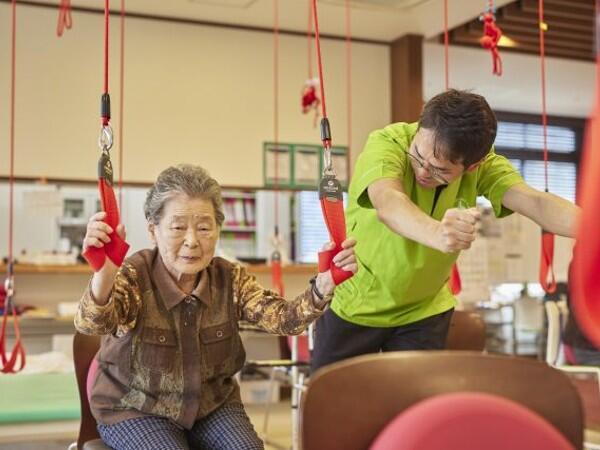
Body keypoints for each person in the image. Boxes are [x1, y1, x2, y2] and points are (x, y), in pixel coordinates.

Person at [74, 164, 357, 450]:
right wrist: (104, 274)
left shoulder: (230, 279)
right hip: (137, 407)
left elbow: (285, 320)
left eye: (205, 228)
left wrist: (324, 284)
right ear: (153, 230)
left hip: (212, 406)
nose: (192, 241)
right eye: (178, 227)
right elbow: (92, 324)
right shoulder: (134, 276)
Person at [311, 89, 580, 372]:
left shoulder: (484, 166)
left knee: (416, 411)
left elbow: (534, 202)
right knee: (331, 403)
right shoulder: (388, 143)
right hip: (357, 302)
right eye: (417, 155)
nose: (423, 171)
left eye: (439, 170)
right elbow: (388, 203)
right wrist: (438, 234)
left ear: (472, 166)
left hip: (423, 310)